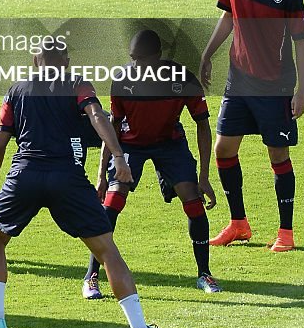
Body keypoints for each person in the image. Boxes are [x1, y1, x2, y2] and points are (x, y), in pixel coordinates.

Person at [0, 45, 175, 328]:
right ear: (67, 62)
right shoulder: (77, 84)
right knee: (107, 251)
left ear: (34, 62)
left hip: (25, 176)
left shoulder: (16, 90)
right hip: (67, 179)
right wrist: (118, 157)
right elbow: (97, 115)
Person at [82, 30, 221, 301]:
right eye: (132, 59)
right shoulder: (122, 80)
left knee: (192, 199)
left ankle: (204, 273)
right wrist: (101, 176)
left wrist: (203, 177)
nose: (135, 66)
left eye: (140, 60)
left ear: (157, 57)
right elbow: (112, 128)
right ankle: (91, 277)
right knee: (111, 204)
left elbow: (202, 124)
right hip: (130, 145)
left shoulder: (182, 80)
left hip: (169, 143)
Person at [199, 0, 304, 253]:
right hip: (238, 82)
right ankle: (238, 224)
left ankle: (285, 231)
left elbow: (302, 45)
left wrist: (302, 90)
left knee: (277, 154)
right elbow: (228, 17)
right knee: (223, 150)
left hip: (275, 87)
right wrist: (207, 54)